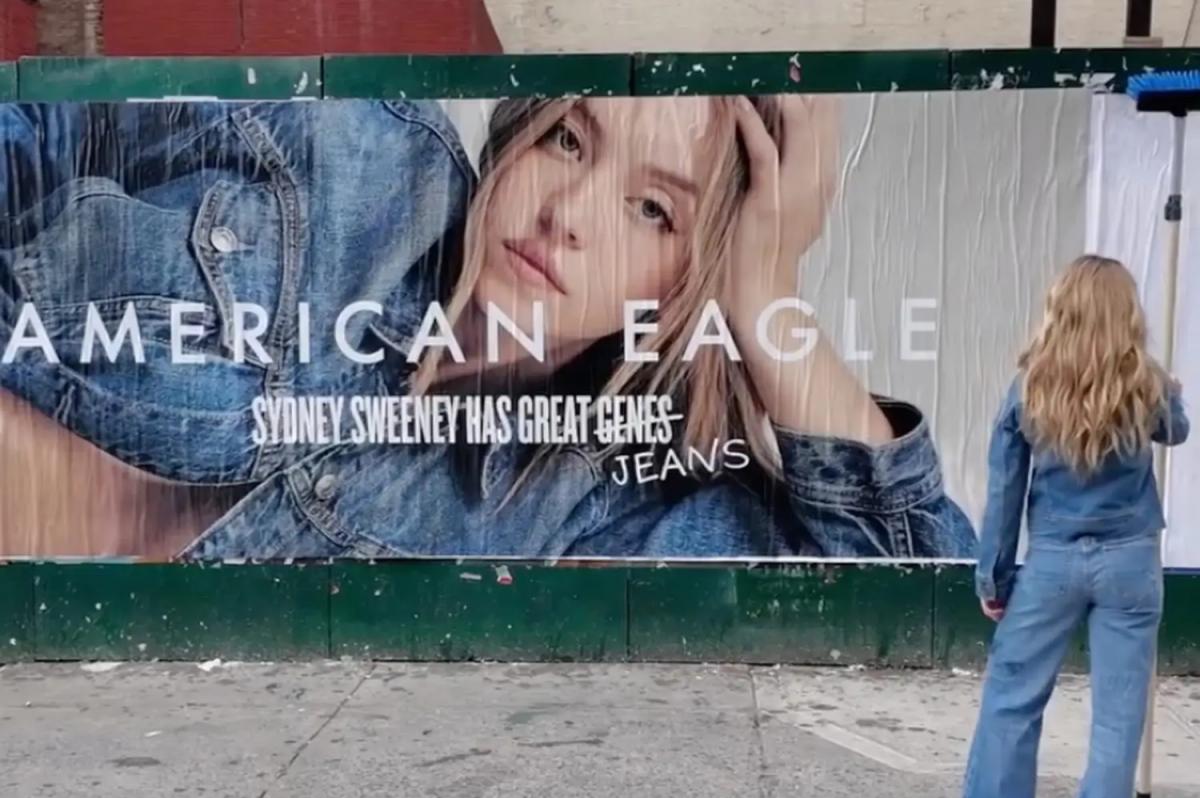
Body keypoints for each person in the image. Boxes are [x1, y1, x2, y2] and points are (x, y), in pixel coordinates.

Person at [0, 93, 976, 560]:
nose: (570, 214)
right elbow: (37, 133)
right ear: (519, 134)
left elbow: (923, 584)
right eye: (568, 140)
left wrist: (767, 289)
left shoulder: (586, 507)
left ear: (686, 283)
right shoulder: (359, 150)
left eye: (653, 211)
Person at [934, 255, 1190, 798]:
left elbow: (1004, 495)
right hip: (1132, 561)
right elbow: (1177, 430)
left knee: (1013, 698)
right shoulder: (1145, 385)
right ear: (1125, 315)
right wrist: (1173, 388)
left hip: (1051, 561)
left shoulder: (1029, 388)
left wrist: (992, 578)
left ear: (1060, 310)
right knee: (1118, 718)